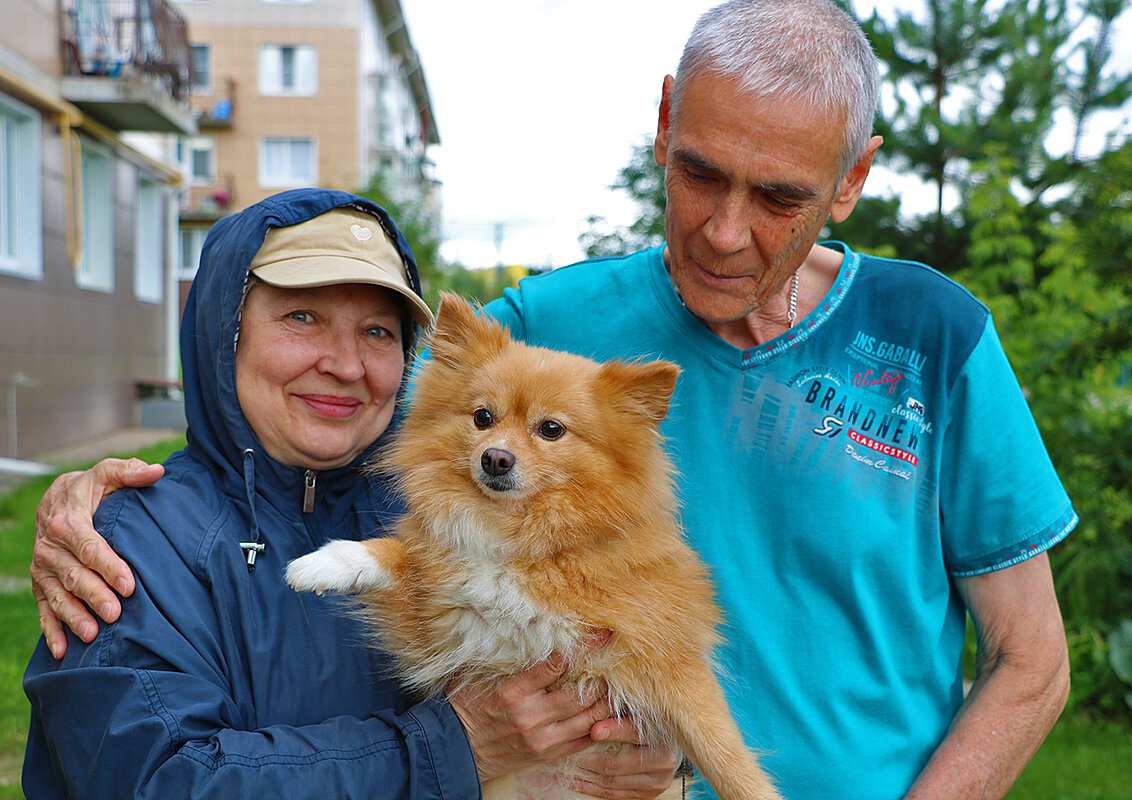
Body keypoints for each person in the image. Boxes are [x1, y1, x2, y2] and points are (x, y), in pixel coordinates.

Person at [29, 2, 1076, 798]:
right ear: (664, 122)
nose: (721, 230)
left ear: (850, 182)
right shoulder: (544, 327)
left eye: (778, 198)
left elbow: (1030, 661)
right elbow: (331, 416)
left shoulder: (932, 334)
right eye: (700, 173)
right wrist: (102, 503)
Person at [22, 188, 677, 800]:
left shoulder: (458, 513)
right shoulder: (127, 544)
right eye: (302, 316)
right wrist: (454, 751)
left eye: (378, 332)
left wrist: (609, 750)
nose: (346, 364)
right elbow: (161, 780)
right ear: (225, 333)